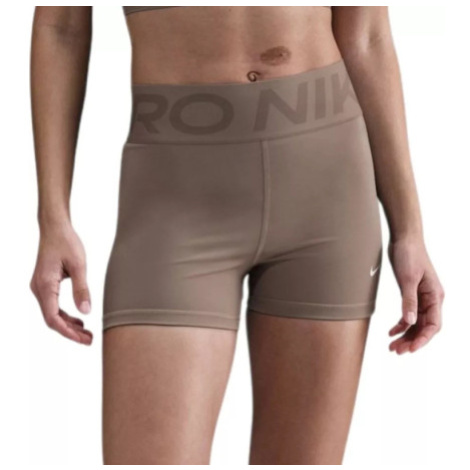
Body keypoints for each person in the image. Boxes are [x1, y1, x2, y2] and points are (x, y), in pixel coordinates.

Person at [29, 6, 444, 465]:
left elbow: (367, 37)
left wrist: (409, 229)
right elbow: (60, 28)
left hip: (328, 193)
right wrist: (53, 218)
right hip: (176, 202)